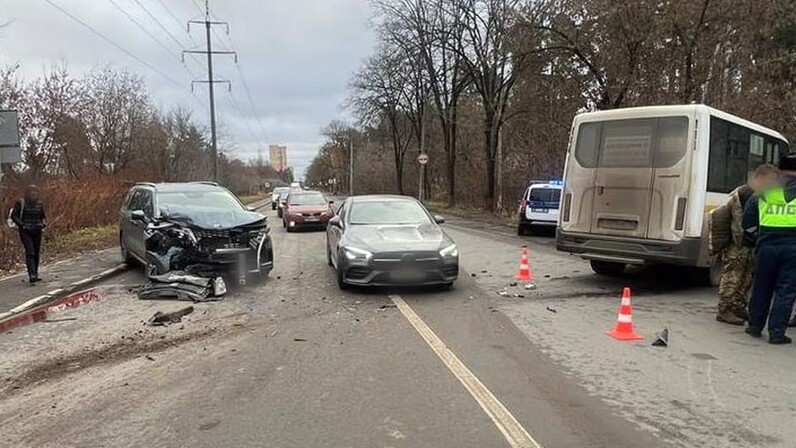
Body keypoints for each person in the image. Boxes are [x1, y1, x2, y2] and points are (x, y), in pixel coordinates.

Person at [712, 164, 780, 325]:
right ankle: (725, 309)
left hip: (746, 242)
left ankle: (737, 307)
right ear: (761, 178)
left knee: (745, 277)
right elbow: (745, 219)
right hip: (738, 243)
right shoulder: (748, 192)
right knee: (733, 277)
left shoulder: (751, 191)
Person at [742, 153, 796, 344]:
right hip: (793, 249)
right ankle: (776, 333)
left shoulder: (766, 191)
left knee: (761, 287)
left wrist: (757, 236)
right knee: (786, 290)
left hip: (766, 246)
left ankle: (755, 326)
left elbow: (747, 219)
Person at [10, 185, 47, 284]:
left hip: (37, 230)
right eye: (31, 192)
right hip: (26, 231)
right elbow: (14, 216)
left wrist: (43, 223)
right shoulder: (20, 203)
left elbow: (43, 215)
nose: (34, 194)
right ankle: (32, 274)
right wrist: (22, 225)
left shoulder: (40, 203)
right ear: (27, 193)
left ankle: (36, 273)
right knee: (30, 252)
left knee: (36, 252)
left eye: (35, 192)